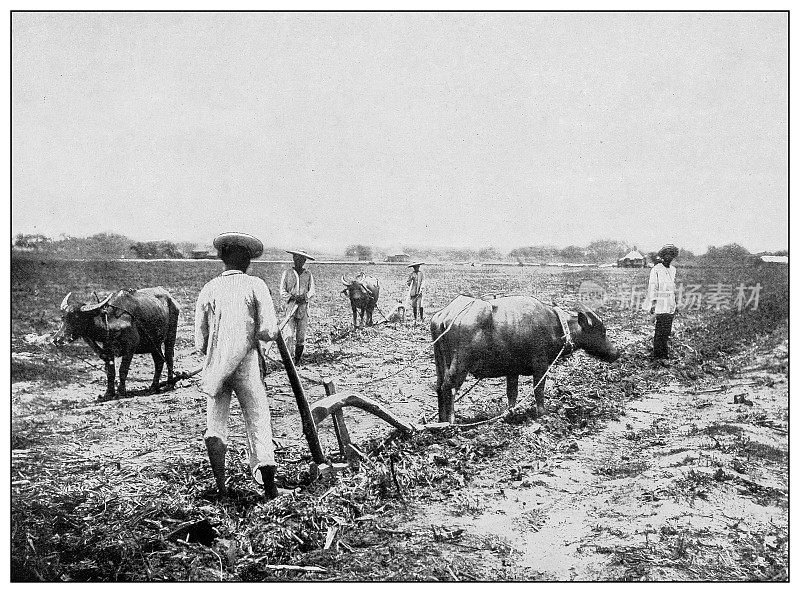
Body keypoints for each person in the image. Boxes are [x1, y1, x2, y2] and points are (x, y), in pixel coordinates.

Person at [195, 232, 282, 499]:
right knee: (257, 420)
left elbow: (200, 341)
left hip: (216, 366)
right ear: (247, 260)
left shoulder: (209, 288)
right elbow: (268, 330)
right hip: (246, 364)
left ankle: (221, 489)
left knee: (215, 424)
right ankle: (270, 490)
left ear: (223, 258)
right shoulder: (255, 285)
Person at [280, 250, 316, 364]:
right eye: (297, 258)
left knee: (300, 337)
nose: (299, 261)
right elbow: (282, 290)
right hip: (291, 307)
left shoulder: (308, 274)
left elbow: (312, 291)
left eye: (301, 259)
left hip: (304, 308)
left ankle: (297, 360)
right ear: (293, 259)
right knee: (289, 335)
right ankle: (289, 360)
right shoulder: (287, 273)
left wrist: (304, 297)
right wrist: (292, 296)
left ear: (304, 261)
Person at [644, 244, 679, 361]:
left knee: (667, 330)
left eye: (671, 255)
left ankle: (664, 352)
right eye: (666, 254)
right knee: (660, 330)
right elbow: (653, 287)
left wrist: (676, 302)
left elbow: (673, 288)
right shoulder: (656, 269)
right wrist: (653, 304)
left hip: (670, 303)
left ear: (673, 257)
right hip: (660, 302)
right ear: (663, 256)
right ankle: (658, 355)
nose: (668, 257)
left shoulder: (673, 270)